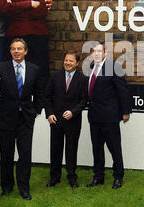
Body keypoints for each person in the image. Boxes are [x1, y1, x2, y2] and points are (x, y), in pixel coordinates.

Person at [0, 38, 44, 200]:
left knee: (25, 155)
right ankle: (6, 187)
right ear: (10, 51)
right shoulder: (1, 67)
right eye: (13, 49)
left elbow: (40, 92)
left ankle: (24, 188)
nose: (16, 51)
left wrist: (35, 111)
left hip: (25, 118)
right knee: (6, 154)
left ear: (25, 51)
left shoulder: (34, 69)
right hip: (6, 118)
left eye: (20, 49)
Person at [86, 42, 131, 189]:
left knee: (114, 148)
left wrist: (126, 111)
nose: (97, 54)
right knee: (96, 149)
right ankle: (98, 177)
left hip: (110, 117)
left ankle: (118, 177)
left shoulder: (114, 67)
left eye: (99, 51)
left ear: (105, 52)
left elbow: (123, 91)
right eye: (94, 51)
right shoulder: (91, 67)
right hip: (94, 116)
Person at [45, 51, 88, 188]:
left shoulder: (82, 79)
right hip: (56, 120)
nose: (67, 63)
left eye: (71, 61)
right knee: (55, 150)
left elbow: (84, 101)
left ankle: (72, 177)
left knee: (71, 150)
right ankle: (54, 177)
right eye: (66, 60)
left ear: (77, 63)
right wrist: (49, 113)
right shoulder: (54, 76)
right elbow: (47, 97)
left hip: (73, 122)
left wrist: (73, 112)